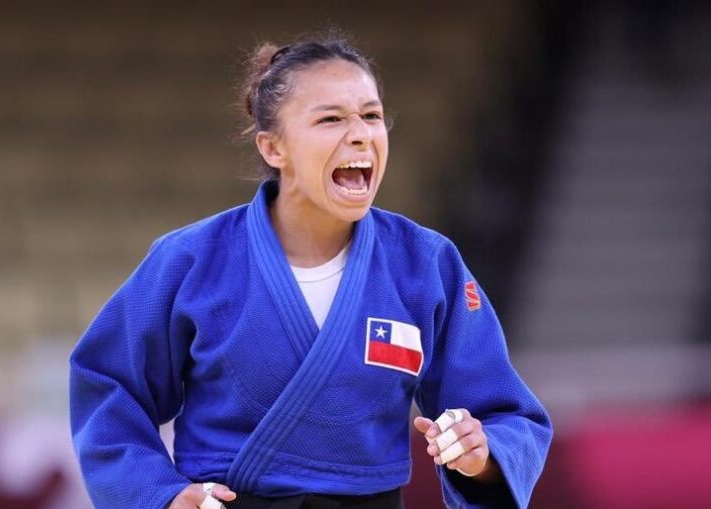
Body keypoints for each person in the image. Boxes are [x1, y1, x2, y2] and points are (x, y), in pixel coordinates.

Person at [69, 33, 552, 509]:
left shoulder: (424, 264)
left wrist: (480, 453)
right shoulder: (191, 260)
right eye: (331, 119)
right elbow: (109, 386)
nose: (360, 133)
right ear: (273, 148)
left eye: (372, 115)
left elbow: (506, 415)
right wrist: (160, 495)